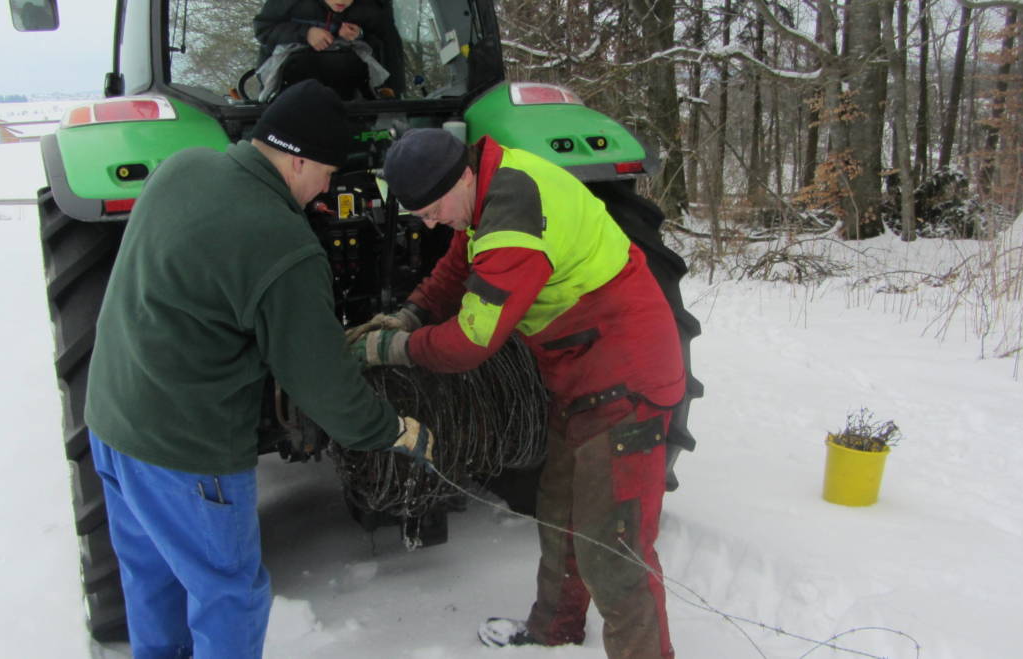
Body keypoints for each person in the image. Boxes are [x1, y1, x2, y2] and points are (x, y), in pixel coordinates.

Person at [84, 79, 435, 659]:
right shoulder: (281, 242)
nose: (326, 189)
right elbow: (321, 383)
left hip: (113, 423)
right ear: (297, 160)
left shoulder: (183, 166)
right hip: (186, 452)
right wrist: (388, 428)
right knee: (231, 597)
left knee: (152, 576)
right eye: (326, 173)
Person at [348, 128, 685, 658]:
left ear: (461, 176)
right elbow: (459, 262)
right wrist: (411, 311)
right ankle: (555, 629)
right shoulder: (492, 184)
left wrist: (391, 349)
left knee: (616, 554)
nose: (431, 222)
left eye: (434, 209)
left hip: (628, 382)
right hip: (581, 374)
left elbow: (468, 344)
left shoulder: (513, 221)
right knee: (561, 515)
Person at [253, 0, 404, 99]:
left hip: (354, 99)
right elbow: (263, 29)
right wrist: (306, 33)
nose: (341, 0)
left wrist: (360, 34)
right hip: (286, 93)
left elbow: (388, 49)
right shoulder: (289, 3)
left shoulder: (372, 8)